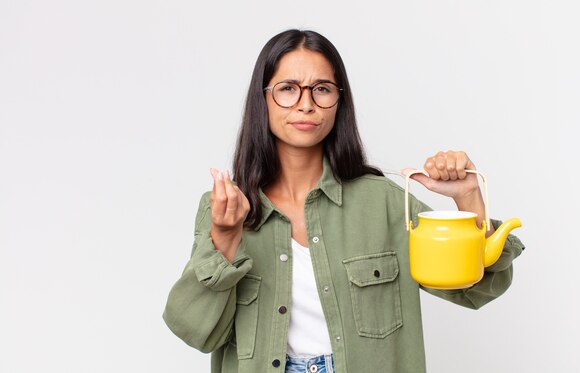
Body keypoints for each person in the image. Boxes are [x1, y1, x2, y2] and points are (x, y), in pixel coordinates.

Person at [163, 29, 525, 373]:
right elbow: (195, 330)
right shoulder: (225, 209)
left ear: (339, 100)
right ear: (263, 99)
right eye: (288, 89)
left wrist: (468, 198)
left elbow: (477, 289)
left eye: (321, 89)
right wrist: (225, 240)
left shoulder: (383, 203)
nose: (306, 104)